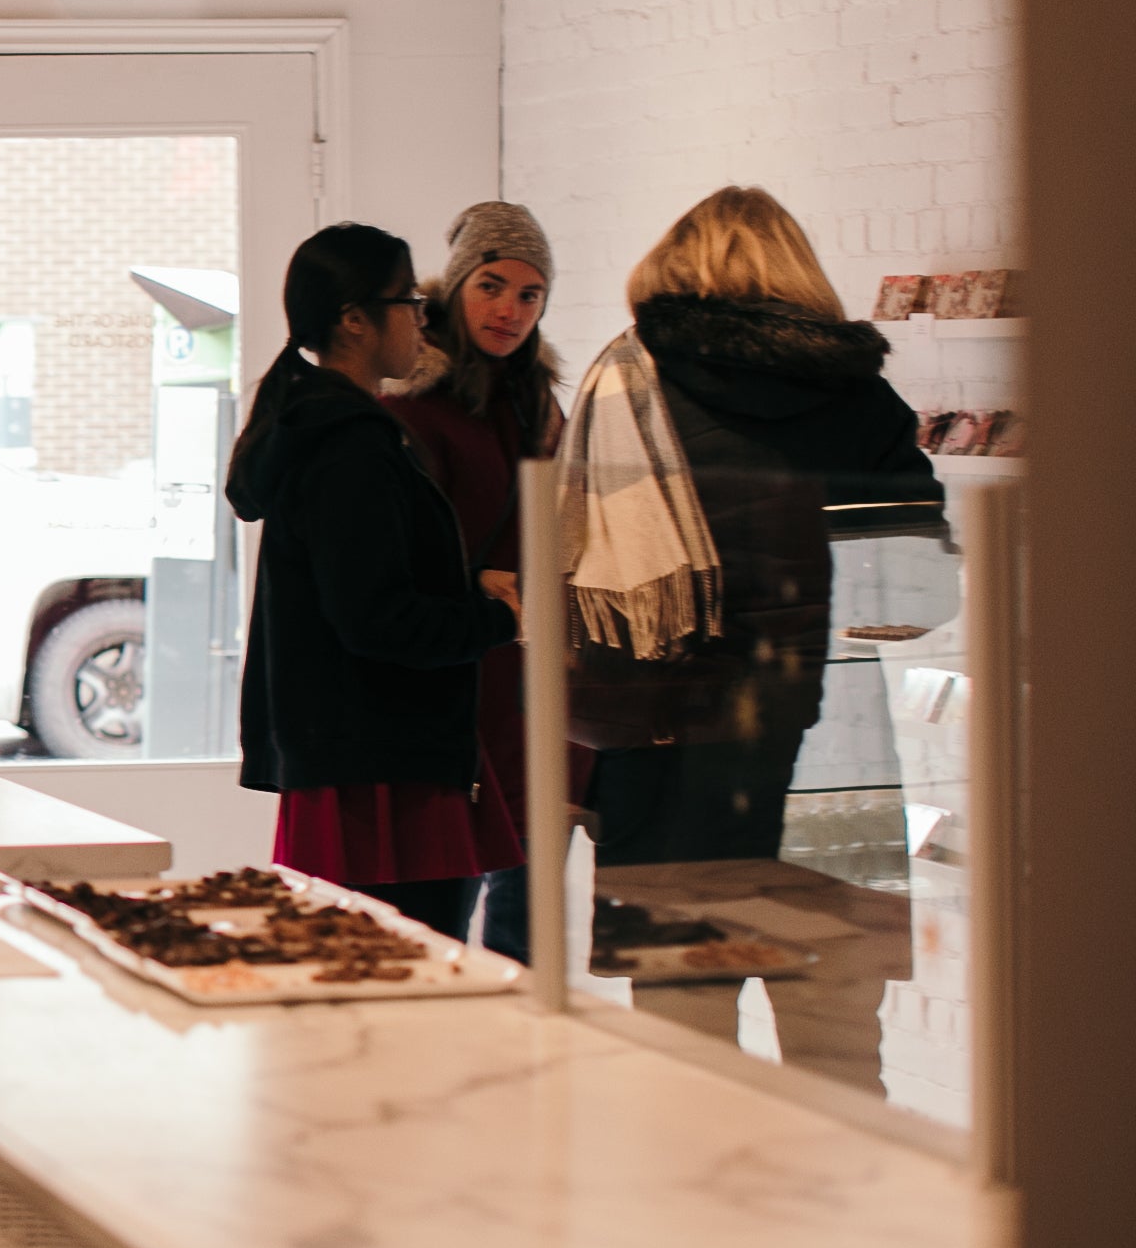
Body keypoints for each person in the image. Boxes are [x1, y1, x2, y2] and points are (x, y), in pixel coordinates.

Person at [562, 186, 941, 865]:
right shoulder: (864, 398)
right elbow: (923, 579)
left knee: (680, 958)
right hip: (826, 728)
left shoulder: (633, 382)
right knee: (830, 949)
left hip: (666, 719)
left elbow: (577, 557)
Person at [228, 224, 523, 939]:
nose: (423, 317)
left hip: (361, 758)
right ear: (356, 319)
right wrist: (496, 618)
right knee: (402, 994)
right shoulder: (349, 446)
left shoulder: (331, 429)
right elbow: (376, 619)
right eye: (408, 300)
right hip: (382, 775)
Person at [382, 202, 564, 959]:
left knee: (524, 916)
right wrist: (472, 582)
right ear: (456, 287)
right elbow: (394, 550)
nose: (508, 310)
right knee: (437, 916)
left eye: (529, 295)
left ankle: (520, 1067)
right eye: (491, 286)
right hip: (449, 674)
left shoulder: (535, 403)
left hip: (526, 675)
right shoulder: (416, 404)